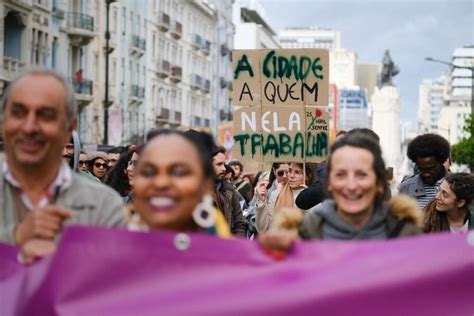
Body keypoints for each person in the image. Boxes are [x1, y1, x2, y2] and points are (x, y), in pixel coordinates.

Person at [0, 68, 125, 256]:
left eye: (46, 115)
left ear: (70, 127)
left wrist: (64, 263)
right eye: (18, 113)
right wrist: (15, 238)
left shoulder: (104, 206)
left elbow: (112, 281)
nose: (29, 127)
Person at [259, 134, 422, 255]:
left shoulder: (406, 234)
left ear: (378, 182)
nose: (350, 185)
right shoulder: (303, 234)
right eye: (341, 174)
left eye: (361, 174)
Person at [127, 129, 230, 237]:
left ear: (206, 186)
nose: (160, 183)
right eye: (148, 172)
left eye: (179, 172)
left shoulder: (234, 251)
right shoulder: (113, 246)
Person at [256, 163, 315, 233]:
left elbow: (313, 228)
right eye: (289, 171)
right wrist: (261, 202)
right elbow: (263, 229)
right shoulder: (276, 194)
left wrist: (309, 198)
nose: (291, 176)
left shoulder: (314, 196)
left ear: (308, 176)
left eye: (297, 172)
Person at [399, 133, 450, 209]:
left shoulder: (457, 186)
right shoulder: (406, 187)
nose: (426, 174)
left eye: (431, 169)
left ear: (442, 161)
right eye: (421, 169)